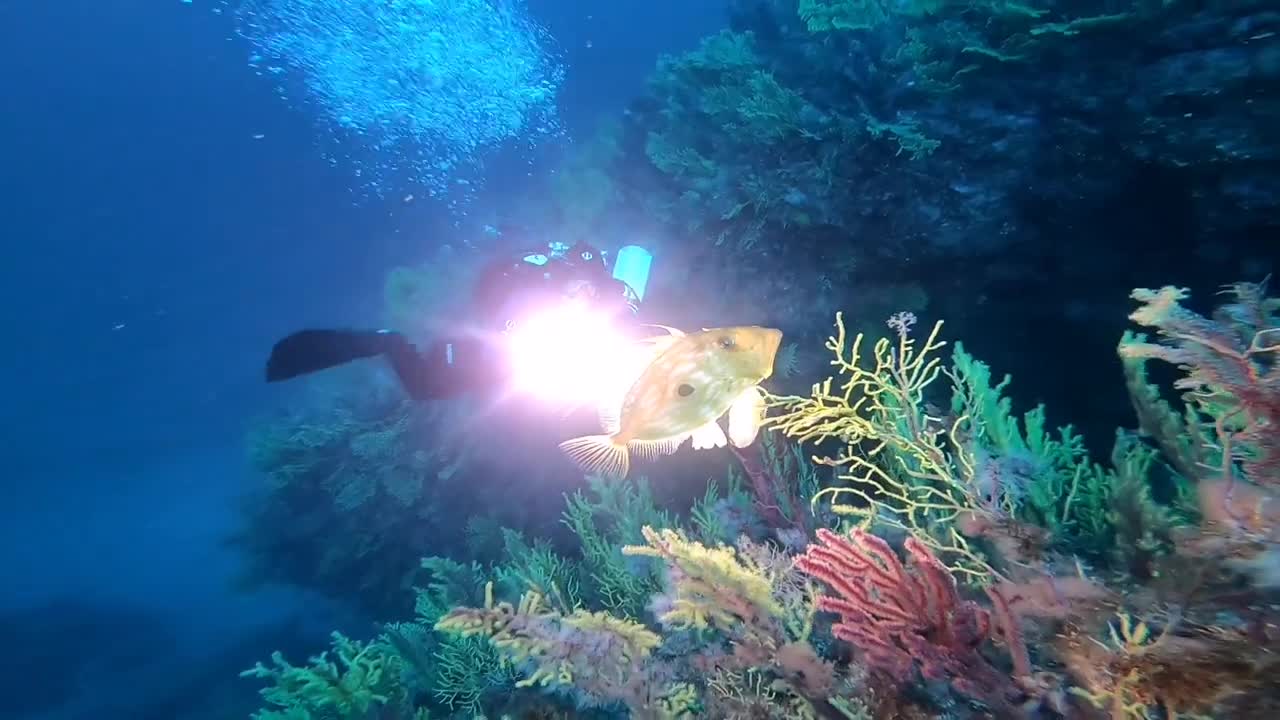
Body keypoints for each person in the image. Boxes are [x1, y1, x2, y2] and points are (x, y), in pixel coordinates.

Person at [264, 240, 642, 401]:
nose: (582, 296)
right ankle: (384, 341)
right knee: (427, 388)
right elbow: (506, 322)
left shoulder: (609, 291)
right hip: (510, 346)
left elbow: (632, 322)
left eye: (588, 291)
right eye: (576, 290)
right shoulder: (533, 285)